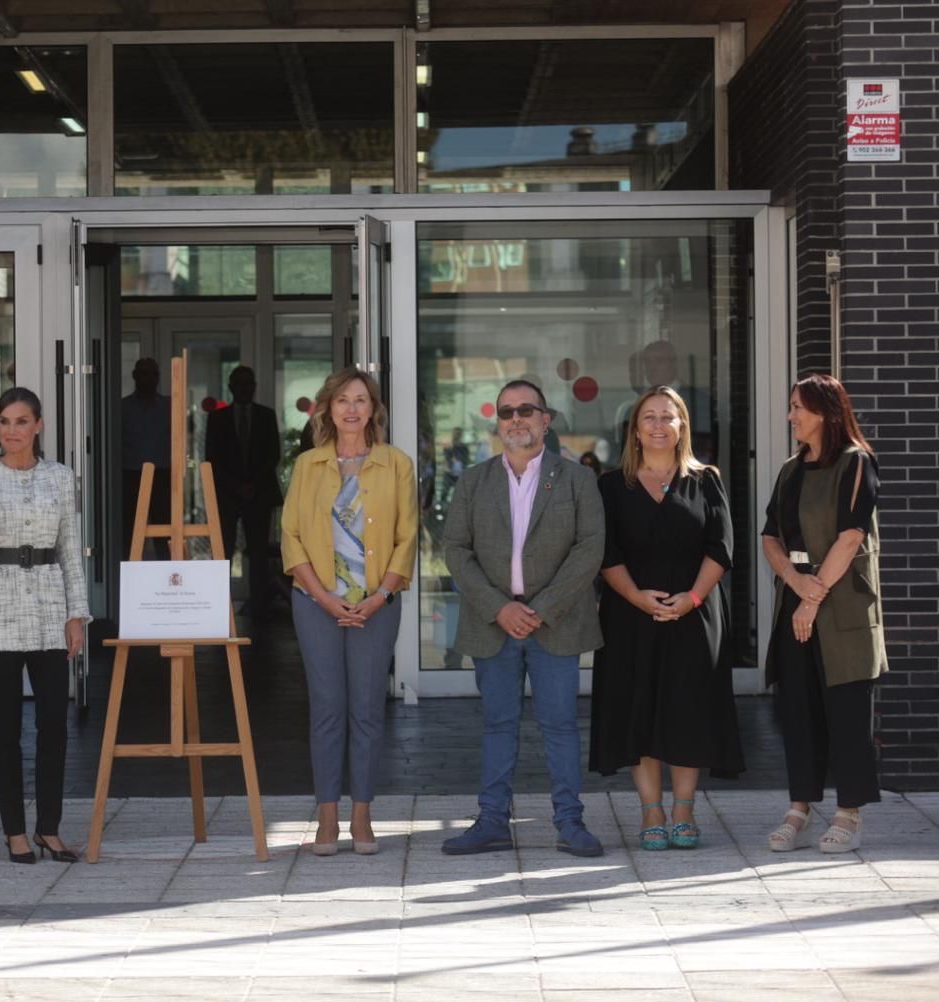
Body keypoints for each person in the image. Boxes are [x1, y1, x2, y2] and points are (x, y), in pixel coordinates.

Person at [440, 380, 607, 858]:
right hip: (494, 621)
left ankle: (570, 823)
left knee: (560, 726)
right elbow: (455, 549)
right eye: (507, 412)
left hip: (555, 622)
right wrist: (500, 607)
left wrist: (541, 608)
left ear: (545, 419)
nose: (517, 419)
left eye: (526, 410)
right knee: (498, 724)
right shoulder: (473, 481)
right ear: (499, 424)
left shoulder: (576, 480)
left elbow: (589, 548)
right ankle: (492, 821)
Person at [590, 387, 745, 851]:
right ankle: (651, 810)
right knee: (639, 710)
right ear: (635, 430)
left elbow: (722, 546)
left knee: (687, 712)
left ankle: (683, 810)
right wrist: (637, 598)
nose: (659, 425)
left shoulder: (706, 479)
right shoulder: (612, 486)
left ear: (682, 428)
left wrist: (692, 598)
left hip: (693, 615)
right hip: (630, 616)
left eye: (668, 417)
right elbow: (605, 552)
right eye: (649, 418)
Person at [0, 388, 89, 864]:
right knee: (3, 728)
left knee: (53, 726)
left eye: (21, 421)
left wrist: (77, 615)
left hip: (50, 603)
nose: (11, 431)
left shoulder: (61, 477)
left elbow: (70, 547)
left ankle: (49, 828)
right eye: (4, 422)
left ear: (39, 425)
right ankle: (14, 832)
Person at [281, 368, 416, 856]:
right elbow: (291, 536)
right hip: (317, 602)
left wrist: (379, 597)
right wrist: (324, 596)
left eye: (361, 400)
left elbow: (408, 538)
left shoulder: (396, 464)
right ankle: (326, 818)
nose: (352, 409)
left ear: (373, 410)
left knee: (366, 710)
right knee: (327, 711)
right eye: (343, 400)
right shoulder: (308, 466)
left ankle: (362, 815)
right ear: (328, 409)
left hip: (376, 605)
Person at [761, 373, 885, 855]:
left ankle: (848, 813)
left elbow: (851, 535)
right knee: (798, 710)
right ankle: (799, 808)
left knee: (846, 712)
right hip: (800, 595)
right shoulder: (791, 468)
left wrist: (812, 597)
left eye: (798, 407)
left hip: (842, 604)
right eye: (791, 406)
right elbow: (771, 536)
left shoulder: (857, 462)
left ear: (827, 412)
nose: (791, 415)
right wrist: (796, 586)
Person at [205, 366, 283, 617]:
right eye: (239, 384)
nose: (244, 388)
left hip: (259, 494)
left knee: (258, 552)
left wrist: (252, 485)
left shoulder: (266, 415)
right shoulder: (217, 418)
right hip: (227, 495)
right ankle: (220, 606)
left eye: (248, 383)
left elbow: (273, 455)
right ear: (230, 387)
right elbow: (211, 459)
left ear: (255, 386)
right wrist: (237, 486)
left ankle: (259, 606)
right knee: (223, 550)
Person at [120, 357, 171, 557]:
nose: (148, 378)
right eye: (143, 373)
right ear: (135, 376)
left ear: (158, 377)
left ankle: (169, 579)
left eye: (153, 374)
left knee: (164, 530)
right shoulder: (121, 408)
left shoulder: (169, 406)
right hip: (130, 475)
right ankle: (127, 580)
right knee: (130, 532)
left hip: (163, 476)